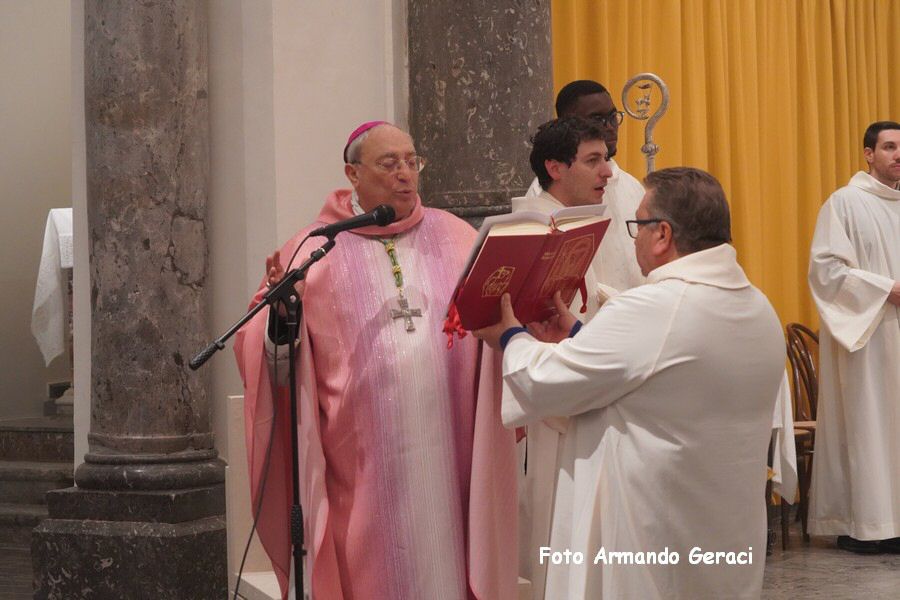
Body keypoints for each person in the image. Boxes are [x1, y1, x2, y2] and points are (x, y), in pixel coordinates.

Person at [234, 121, 517, 599]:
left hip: (450, 451)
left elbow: (496, 325)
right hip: (360, 469)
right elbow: (272, 362)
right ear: (353, 173)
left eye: (412, 161)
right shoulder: (312, 250)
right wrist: (281, 315)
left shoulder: (457, 236)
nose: (405, 174)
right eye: (390, 163)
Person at [476, 167, 785, 599]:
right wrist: (582, 339)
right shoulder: (758, 305)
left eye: (637, 224)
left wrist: (510, 336)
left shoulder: (656, 306)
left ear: (662, 234)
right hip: (722, 529)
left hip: (651, 532)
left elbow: (542, 381)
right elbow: (664, 379)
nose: (633, 237)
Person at [513, 116, 620, 598]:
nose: (609, 172)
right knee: (550, 525)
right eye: (594, 160)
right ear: (555, 167)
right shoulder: (528, 229)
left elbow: (587, 298)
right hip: (551, 402)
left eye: (606, 159)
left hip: (582, 384)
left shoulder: (578, 218)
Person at [807, 120, 900, 554]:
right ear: (868, 154)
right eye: (889, 147)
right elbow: (826, 271)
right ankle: (867, 523)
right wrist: (886, 289)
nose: (898, 154)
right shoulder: (844, 203)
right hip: (871, 335)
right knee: (870, 425)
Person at [526, 79, 645, 292]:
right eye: (597, 119)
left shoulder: (632, 185)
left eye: (612, 117)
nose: (609, 127)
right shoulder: (545, 196)